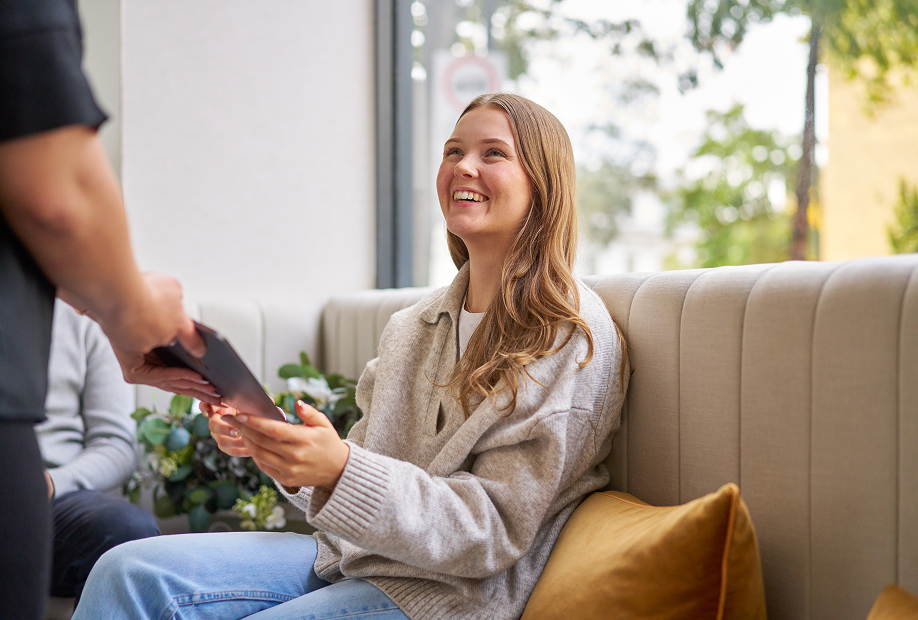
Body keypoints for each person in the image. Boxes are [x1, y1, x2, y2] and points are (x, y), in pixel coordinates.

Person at [72, 93, 630, 620]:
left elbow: (492, 529)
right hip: (348, 557)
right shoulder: (414, 327)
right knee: (127, 569)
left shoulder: (567, 336)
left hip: (451, 596)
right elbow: (361, 462)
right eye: (453, 152)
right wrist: (277, 443)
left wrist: (339, 468)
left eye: (494, 154)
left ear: (544, 184)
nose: (463, 166)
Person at [0, 1, 219, 618]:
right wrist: (137, 312)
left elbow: (115, 443)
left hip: (63, 492)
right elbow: (56, 197)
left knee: (118, 527)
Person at [38, 299, 162, 605]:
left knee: (127, 530)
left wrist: (52, 482)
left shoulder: (85, 314)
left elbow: (115, 444)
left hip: (55, 493)